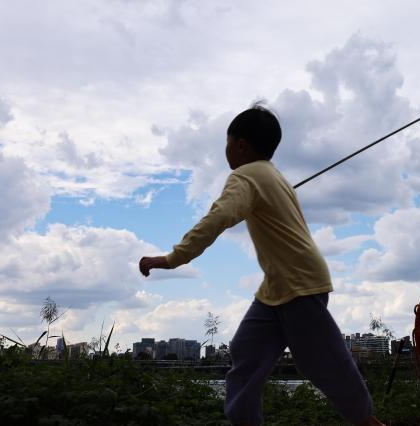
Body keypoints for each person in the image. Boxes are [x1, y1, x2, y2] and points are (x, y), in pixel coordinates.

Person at [139, 105, 384, 426]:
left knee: (321, 362)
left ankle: (366, 421)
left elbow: (219, 216)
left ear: (240, 144)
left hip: (299, 283)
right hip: (276, 289)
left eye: (227, 143)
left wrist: (170, 259)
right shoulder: (270, 176)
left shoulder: (245, 175)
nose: (225, 151)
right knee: (246, 353)